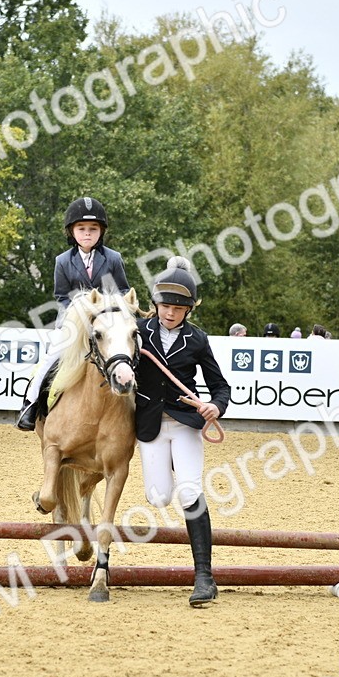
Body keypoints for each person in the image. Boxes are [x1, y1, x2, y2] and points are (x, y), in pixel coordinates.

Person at [135, 257, 230, 607]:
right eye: (164, 305)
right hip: (150, 425)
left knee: (189, 493)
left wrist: (215, 406)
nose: (170, 313)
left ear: (189, 308)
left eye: (177, 307)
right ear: (155, 303)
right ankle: (171, 471)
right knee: (159, 497)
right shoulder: (137, 330)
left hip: (185, 425)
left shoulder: (198, 340)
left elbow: (220, 386)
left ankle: (204, 576)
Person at [16, 196, 131, 431]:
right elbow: (61, 296)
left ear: (101, 232)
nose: (87, 233)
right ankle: (30, 405)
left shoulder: (113, 258)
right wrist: (77, 315)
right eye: (81, 229)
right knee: (50, 358)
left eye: (93, 229)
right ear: (72, 231)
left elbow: (123, 290)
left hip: (107, 323)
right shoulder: (62, 261)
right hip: (73, 322)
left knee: (129, 357)